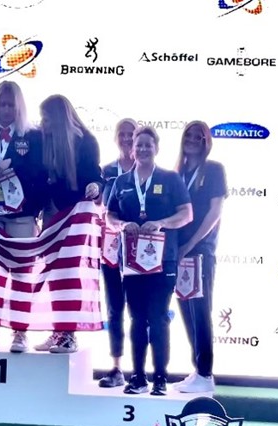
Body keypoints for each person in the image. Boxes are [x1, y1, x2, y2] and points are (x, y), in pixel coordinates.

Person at [107, 125, 193, 395]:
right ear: (132, 149)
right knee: (136, 318)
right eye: (139, 145)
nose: (143, 149)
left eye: (148, 144)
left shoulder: (170, 178)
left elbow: (187, 214)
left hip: (163, 261)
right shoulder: (121, 182)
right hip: (132, 262)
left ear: (157, 148)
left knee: (158, 318)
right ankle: (138, 377)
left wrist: (161, 223)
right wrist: (122, 225)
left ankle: (160, 378)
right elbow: (110, 216)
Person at [0, 81, 48, 353]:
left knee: (22, 274)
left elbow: (40, 174)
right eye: (1, 104)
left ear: (19, 106)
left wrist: (14, 172)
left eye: (10, 105)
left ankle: (20, 332)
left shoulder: (33, 135)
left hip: (21, 215)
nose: (5, 110)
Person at [33, 94, 103, 353]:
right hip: (50, 213)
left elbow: (95, 175)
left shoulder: (86, 142)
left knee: (70, 273)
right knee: (53, 272)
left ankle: (69, 334)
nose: (43, 123)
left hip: (75, 214)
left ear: (59, 119)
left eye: (47, 118)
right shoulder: (43, 141)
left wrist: (95, 186)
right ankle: (58, 330)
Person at [173, 121, 227, 393]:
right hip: (178, 251)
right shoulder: (177, 173)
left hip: (200, 250)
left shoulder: (214, 169)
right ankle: (198, 370)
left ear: (206, 142)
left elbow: (215, 212)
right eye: (189, 135)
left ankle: (205, 372)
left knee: (201, 310)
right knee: (186, 309)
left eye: (199, 136)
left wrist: (192, 243)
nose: (192, 140)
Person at [98, 118, 136, 388]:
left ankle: (140, 369)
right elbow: (100, 205)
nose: (126, 138)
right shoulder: (106, 171)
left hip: (139, 249)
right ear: (115, 137)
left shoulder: (149, 170)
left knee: (139, 310)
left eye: (130, 134)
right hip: (110, 248)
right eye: (121, 133)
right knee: (114, 309)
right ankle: (116, 367)